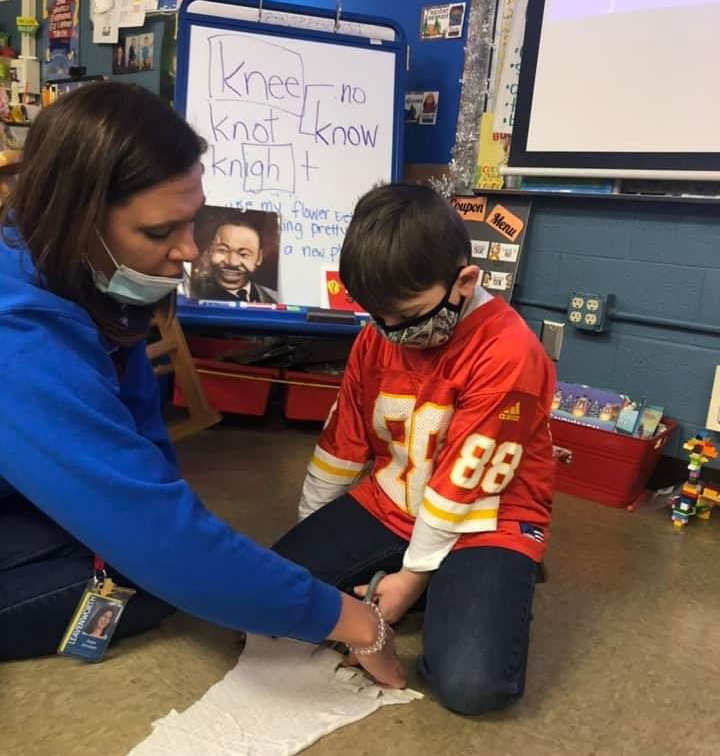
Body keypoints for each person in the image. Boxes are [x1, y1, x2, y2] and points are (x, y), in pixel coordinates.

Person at [0, 82, 404, 690]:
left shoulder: (84, 275)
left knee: (147, 558)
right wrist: (357, 622)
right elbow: (158, 534)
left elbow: (144, 449)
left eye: (193, 221)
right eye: (162, 233)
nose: (189, 252)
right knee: (153, 577)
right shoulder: (19, 336)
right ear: (78, 219)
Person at [274, 184, 556, 715]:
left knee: (473, 686)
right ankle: (433, 584)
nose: (394, 334)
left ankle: (482, 583)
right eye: (380, 317)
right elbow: (342, 445)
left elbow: (460, 488)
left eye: (410, 315)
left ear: (464, 281)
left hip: (487, 516)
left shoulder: (509, 352)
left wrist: (413, 576)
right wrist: (311, 535)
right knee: (270, 598)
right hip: (394, 500)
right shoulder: (377, 335)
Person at [191, 217, 278, 303]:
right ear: (210, 251)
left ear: (259, 258)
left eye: (244, 254)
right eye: (223, 250)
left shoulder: (274, 299)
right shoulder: (190, 293)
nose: (232, 262)